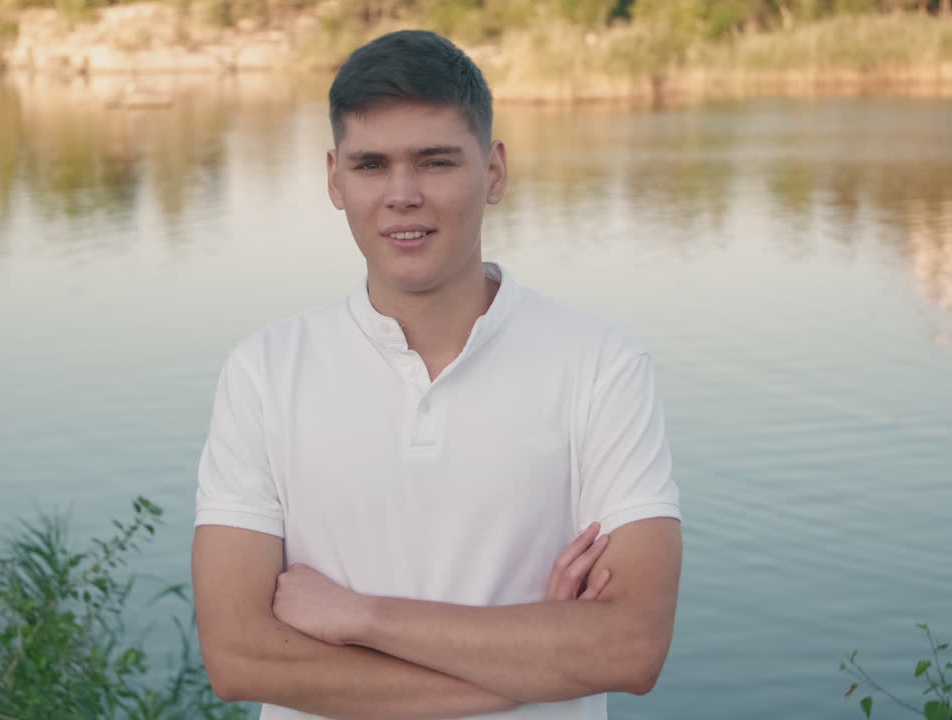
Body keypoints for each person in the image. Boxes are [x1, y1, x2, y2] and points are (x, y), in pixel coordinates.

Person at [191, 29, 682, 720]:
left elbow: (629, 647)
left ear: (495, 171)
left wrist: (360, 616)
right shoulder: (264, 372)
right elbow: (241, 660)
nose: (403, 194)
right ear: (334, 180)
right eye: (371, 165)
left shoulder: (600, 364)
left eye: (436, 161)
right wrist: (536, 661)